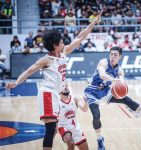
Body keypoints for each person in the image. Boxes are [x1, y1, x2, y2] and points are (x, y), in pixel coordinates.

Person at [6, 11, 102, 150]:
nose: (64, 43)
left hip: (55, 94)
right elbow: (29, 71)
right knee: (51, 129)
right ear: (55, 45)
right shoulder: (47, 59)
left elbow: (80, 37)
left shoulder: (64, 53)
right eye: (62, 42)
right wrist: (16, 82)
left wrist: (93, 23)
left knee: (53, 128)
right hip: (47, 92)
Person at [84, 46, 141, 150]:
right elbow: (102, 75)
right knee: (96, 116)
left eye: (115, 55)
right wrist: (116, 81)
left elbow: (122, 82)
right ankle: (99, 139)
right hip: (92, 92)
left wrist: (121, 84)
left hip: (106, 92)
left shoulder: (120, 71)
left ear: (120, 57)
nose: (112, 57)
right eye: (111, 54)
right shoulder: (103, 62)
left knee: (126, 99)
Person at [58, 83, 89, 150]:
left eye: (66, 86)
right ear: (59, 90)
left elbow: (85, 109)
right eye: (63, 86)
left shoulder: (75, 99)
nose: (66, 87)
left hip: (76, 128)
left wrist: (87, 102)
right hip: (63, 127)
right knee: (71, 143)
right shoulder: (57, 102)